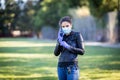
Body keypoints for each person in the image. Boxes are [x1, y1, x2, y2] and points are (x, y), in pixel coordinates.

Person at [54, 16, 85, 80]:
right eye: (63, 26)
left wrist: (68, 46)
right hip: (60, 67)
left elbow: (82, 51)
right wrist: (59, 42)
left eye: (67, 26)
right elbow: (56, 53)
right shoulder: (61, 36)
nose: (65, 28)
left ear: (71, 25)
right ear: (61, 28)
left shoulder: (77, 35)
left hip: (72, 67)